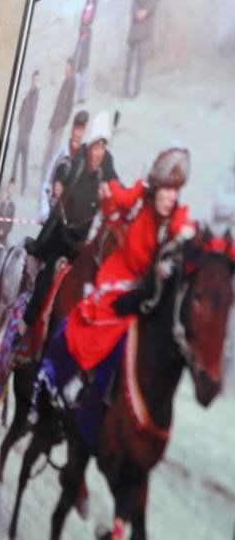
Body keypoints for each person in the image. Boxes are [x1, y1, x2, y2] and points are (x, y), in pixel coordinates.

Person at [32, 149, 195, 440]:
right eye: (167, 190)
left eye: (176, 191)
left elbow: (186, 230)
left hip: (144, 295)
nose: (171, 197)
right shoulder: (138, 202)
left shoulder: (176, 220)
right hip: (118, 280)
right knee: (95, 324)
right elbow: (116, 198)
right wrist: (117, 192)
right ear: (156, 189)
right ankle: (60, 379)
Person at [22, 111, 118, 333]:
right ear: (90, 146)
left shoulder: (107, 162)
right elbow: (64, 172)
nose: (98, 153)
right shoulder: (80, 159)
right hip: (63, 233)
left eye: (103, 148)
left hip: (83, 242)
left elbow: (115, 182)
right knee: (48, 276)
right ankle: (25, 327)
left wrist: (111, 189)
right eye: (96, 147)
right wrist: (59, 183)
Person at [122, 0, 165, 98]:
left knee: (140, 59)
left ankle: (135, 91)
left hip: (146, 22)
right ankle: (125, 90)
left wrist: (146, 11)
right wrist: (136, 12)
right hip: (135, 24)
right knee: (129, 60)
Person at [38, 109, 88, 223]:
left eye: (82, 130)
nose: (79, 134)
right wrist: (44, 212)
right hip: (53, 212)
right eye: (77, 129)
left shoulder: (84, 158)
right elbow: (47, 183)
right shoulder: (61, 154)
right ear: (72, 130)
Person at [39, 57, 77, 185]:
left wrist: (61, 123)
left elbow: (68, 108)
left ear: (71, 69)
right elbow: (57, 107)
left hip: (59, 127)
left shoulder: (71, 83)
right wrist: (50, 126)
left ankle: (49, 182)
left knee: (53, 156)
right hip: (55, 125)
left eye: (67, 67)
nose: (65, 70)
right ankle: (44, 181)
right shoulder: (65, 83)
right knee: (47, 156)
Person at [11, 70, 40, 195]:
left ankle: (23, 187)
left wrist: (26, 128)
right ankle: (12, 184)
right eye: (34, 80)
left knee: (24, 160)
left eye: (37, 80)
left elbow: (32, 114)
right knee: (16, 159)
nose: (35, 82)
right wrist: (20, 122)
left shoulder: (36, 94)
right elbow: (22, 109)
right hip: (21, 131)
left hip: (26, 133)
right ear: (32, 80)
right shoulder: (30, 93)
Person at [74, 0, 97, 103]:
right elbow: (81, 25)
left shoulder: (92, 8)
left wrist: (85, 27)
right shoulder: (84, 9)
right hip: (80, 41)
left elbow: (90, 21)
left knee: (83, 70)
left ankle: (81, 97)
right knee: (75, 69)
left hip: (86, 41)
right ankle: (73, 96)